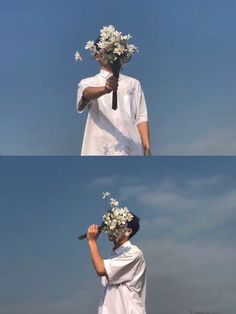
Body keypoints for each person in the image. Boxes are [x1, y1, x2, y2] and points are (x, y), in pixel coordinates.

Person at [76, 31, 151, 156]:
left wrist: (147, 150)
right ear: (97, 55)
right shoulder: (89, 82)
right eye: (106, 49)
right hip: (100, 147)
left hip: (131, 147)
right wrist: (105, 89)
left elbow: (141, 118)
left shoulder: (133, 83)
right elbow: (85, 96)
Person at [86, 213, 147, 314]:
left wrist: (92, 241)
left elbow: (101, 269)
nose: (111, 228)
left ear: (128, 231)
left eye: (117, 226)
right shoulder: (115, 255)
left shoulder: (133, 253)